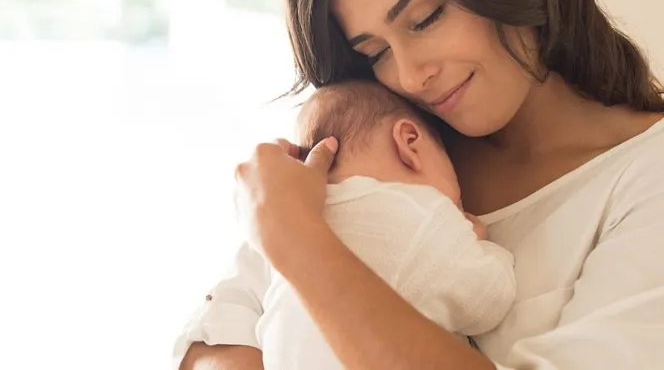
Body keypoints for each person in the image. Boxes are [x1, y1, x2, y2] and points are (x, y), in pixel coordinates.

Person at [180, 0, 664, 368]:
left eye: (425, 18)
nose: (410, 77)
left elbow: (278, 248)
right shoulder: (387, 151)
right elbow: (216, 336)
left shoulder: (645, 176)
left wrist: (300, 243)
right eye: (376, 53)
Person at [174, 80, 516, 369]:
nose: (458, 203)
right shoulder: (423, 215)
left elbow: (221, 319)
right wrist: (481, 246)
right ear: (410, 142)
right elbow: (488, 301)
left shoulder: (278, 223)